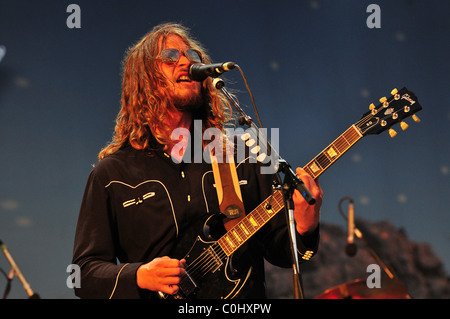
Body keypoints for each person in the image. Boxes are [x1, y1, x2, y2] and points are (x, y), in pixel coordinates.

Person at [72, 22, 323, 299]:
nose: (185, 62)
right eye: (169, 57)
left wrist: (305, 225)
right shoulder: (112, 174)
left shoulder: (241, 154)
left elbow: (285, 255)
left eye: (192, 56)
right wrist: (140, 275)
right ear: (144, 80)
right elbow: (84, 275)